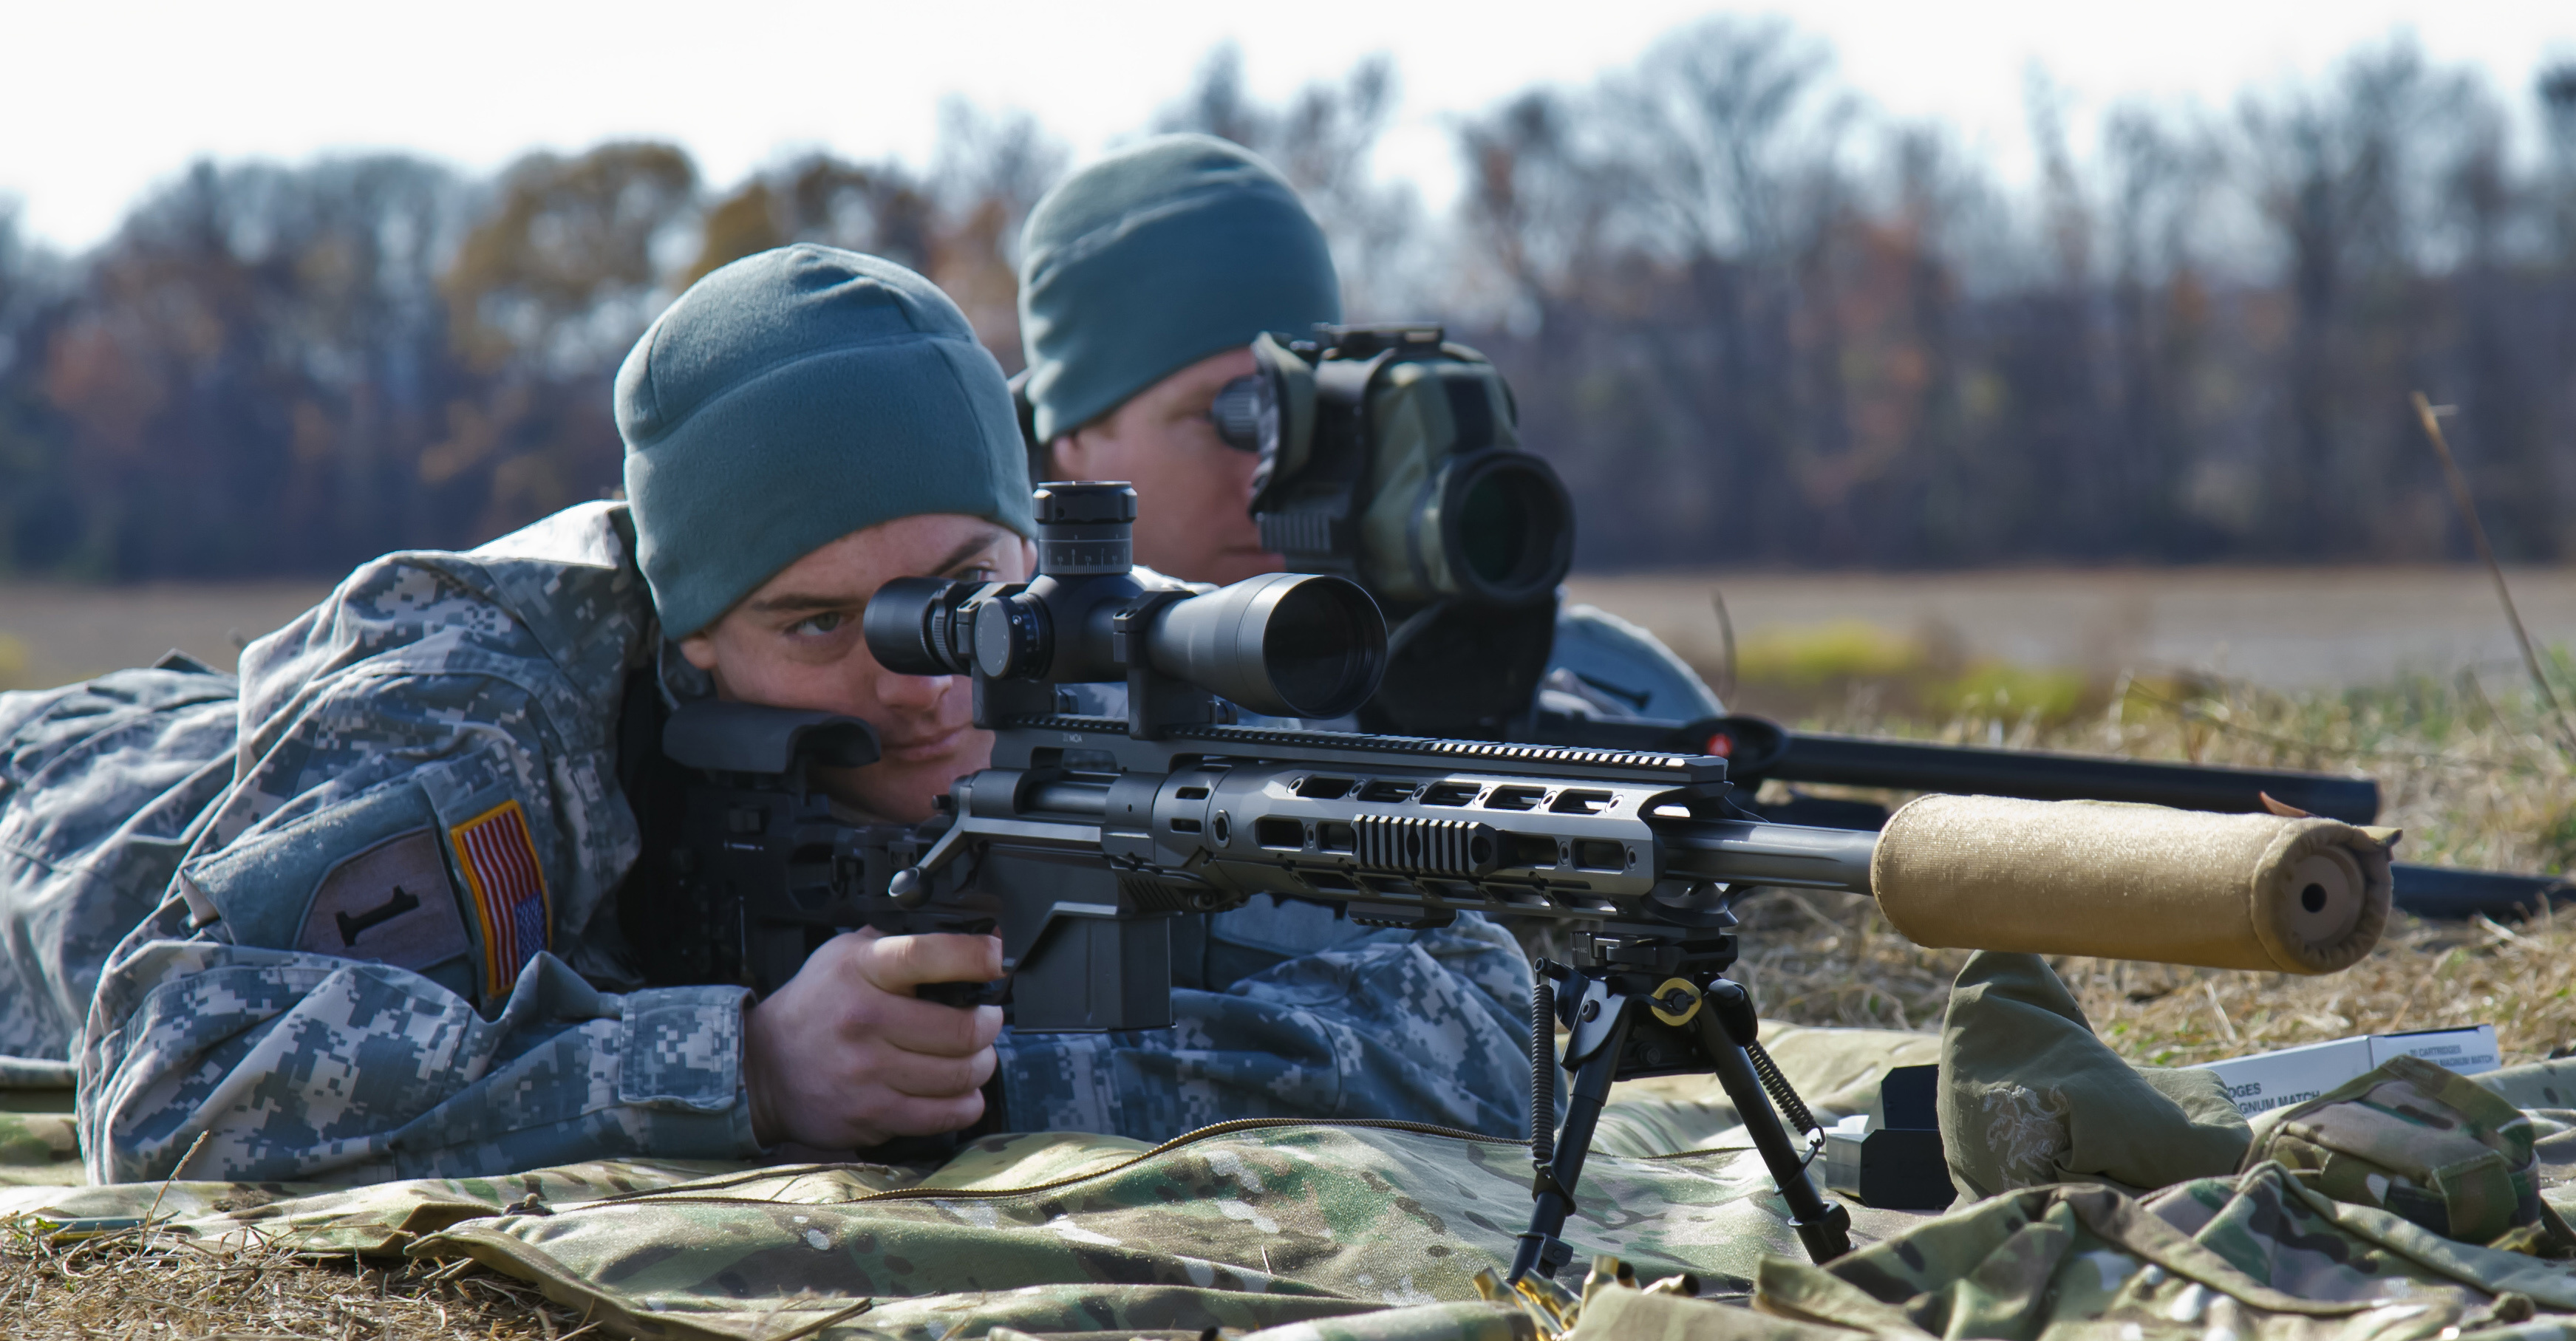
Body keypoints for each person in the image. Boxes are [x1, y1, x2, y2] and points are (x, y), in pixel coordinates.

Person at [0, 245, 1533, 1186]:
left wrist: (1011, 1076)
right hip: (79, 803)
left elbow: (1484, 997)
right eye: (819, 625)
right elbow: (181, 1085)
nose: (930, 685)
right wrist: (743, 1071)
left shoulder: (1091, 643)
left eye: (963, 589)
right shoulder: (473, 693)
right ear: (688, 646)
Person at [1010, 134, 1726, 729]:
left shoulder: (1590, 682)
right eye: (1227, 417)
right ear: (1073, 447)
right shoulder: (967, 700)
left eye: (1306, 411)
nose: (1278, 467)